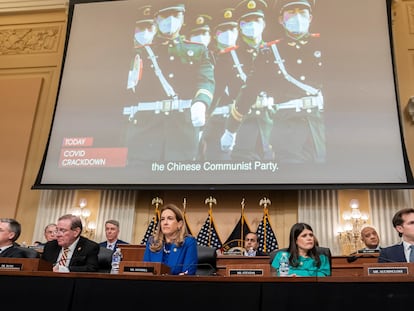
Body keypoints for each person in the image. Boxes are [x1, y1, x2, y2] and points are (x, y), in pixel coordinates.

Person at [123, 0, 215, 164]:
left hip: (183, 131)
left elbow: (206, 80)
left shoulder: (198, 50)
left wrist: (201, 103)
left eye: (175, 15)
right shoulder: (139, 53)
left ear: (183, 18)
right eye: (165, 16)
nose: (170, 20)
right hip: (146, 130)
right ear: (156, 19)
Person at [269, 0, 325, 164]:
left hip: (320, 123)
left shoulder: (324, 44)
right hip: (288, 126)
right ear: (281, 19)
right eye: (291, 12)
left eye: (302, 12)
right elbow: (250, 90)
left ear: (310, 18)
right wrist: (231, 129)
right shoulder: (270, 52)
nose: (297, 17)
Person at [143, 203, 198, 275]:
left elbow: (187, 273)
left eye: (170, 218)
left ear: (180, 224)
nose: (165, 223)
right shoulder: (152, 242)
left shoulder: (188, 243)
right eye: (162, 219)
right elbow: (145, 271)